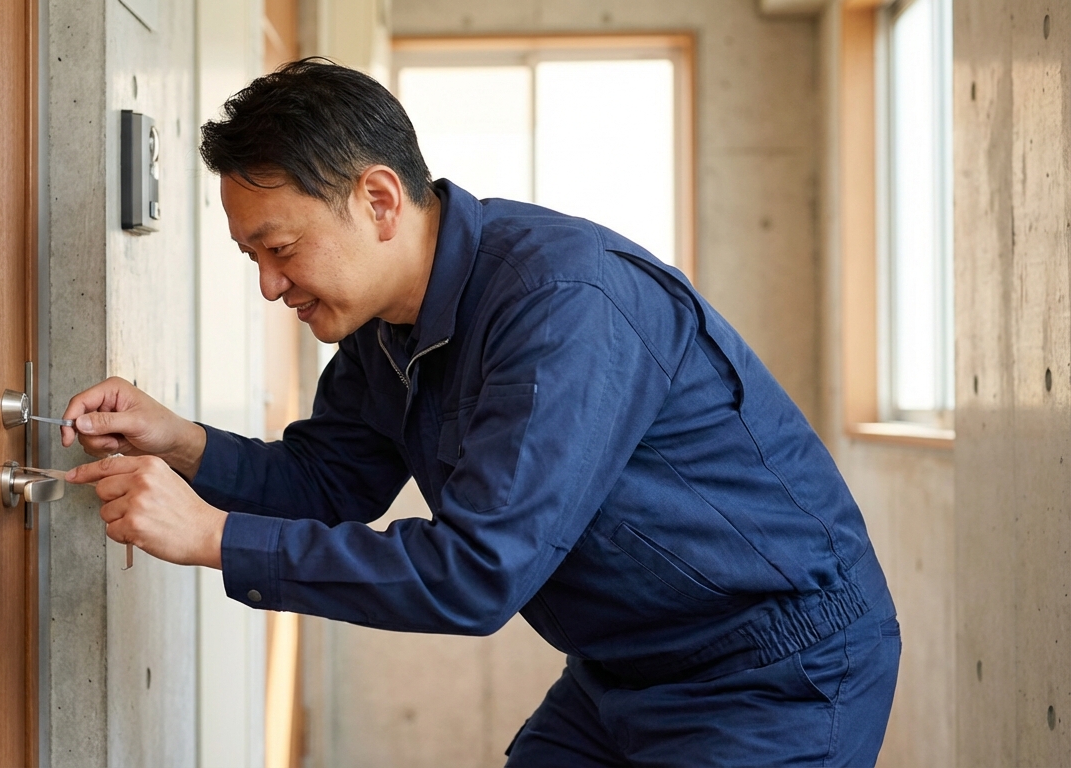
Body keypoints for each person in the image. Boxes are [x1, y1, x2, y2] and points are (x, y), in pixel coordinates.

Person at [61, 58, 900, 766]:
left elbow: (477, 571)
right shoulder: (380, 327)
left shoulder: (562, 303)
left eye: (281, 250)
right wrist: (181, 444)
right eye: (253, 257)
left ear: (380, 200)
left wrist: (212, 538)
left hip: (774, 671)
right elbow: (329, 482)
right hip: (619, 667)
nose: (270, 285)